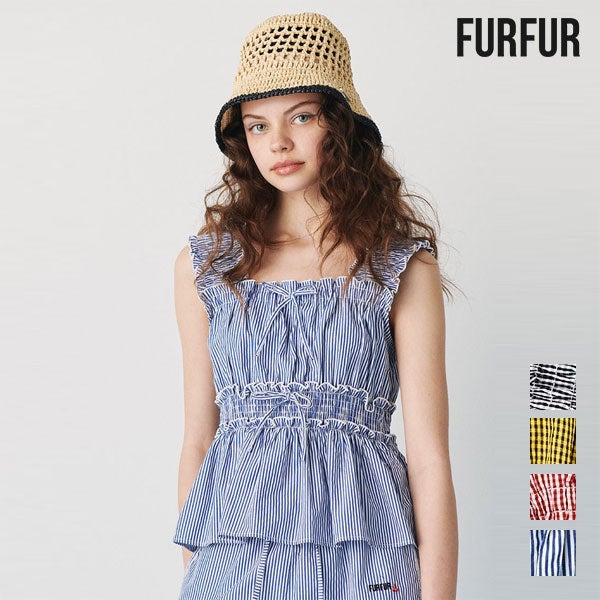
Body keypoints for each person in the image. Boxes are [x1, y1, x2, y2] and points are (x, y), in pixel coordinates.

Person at [173, 12, 458, 600]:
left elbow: (429, 456)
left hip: (368, 560)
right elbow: (199, 438)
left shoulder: (398, 265)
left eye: (301, 116)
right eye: (257, 126)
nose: (277, 143)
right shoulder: (207, 265)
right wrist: (195, 572)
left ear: (341, 125)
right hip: (235, 564)